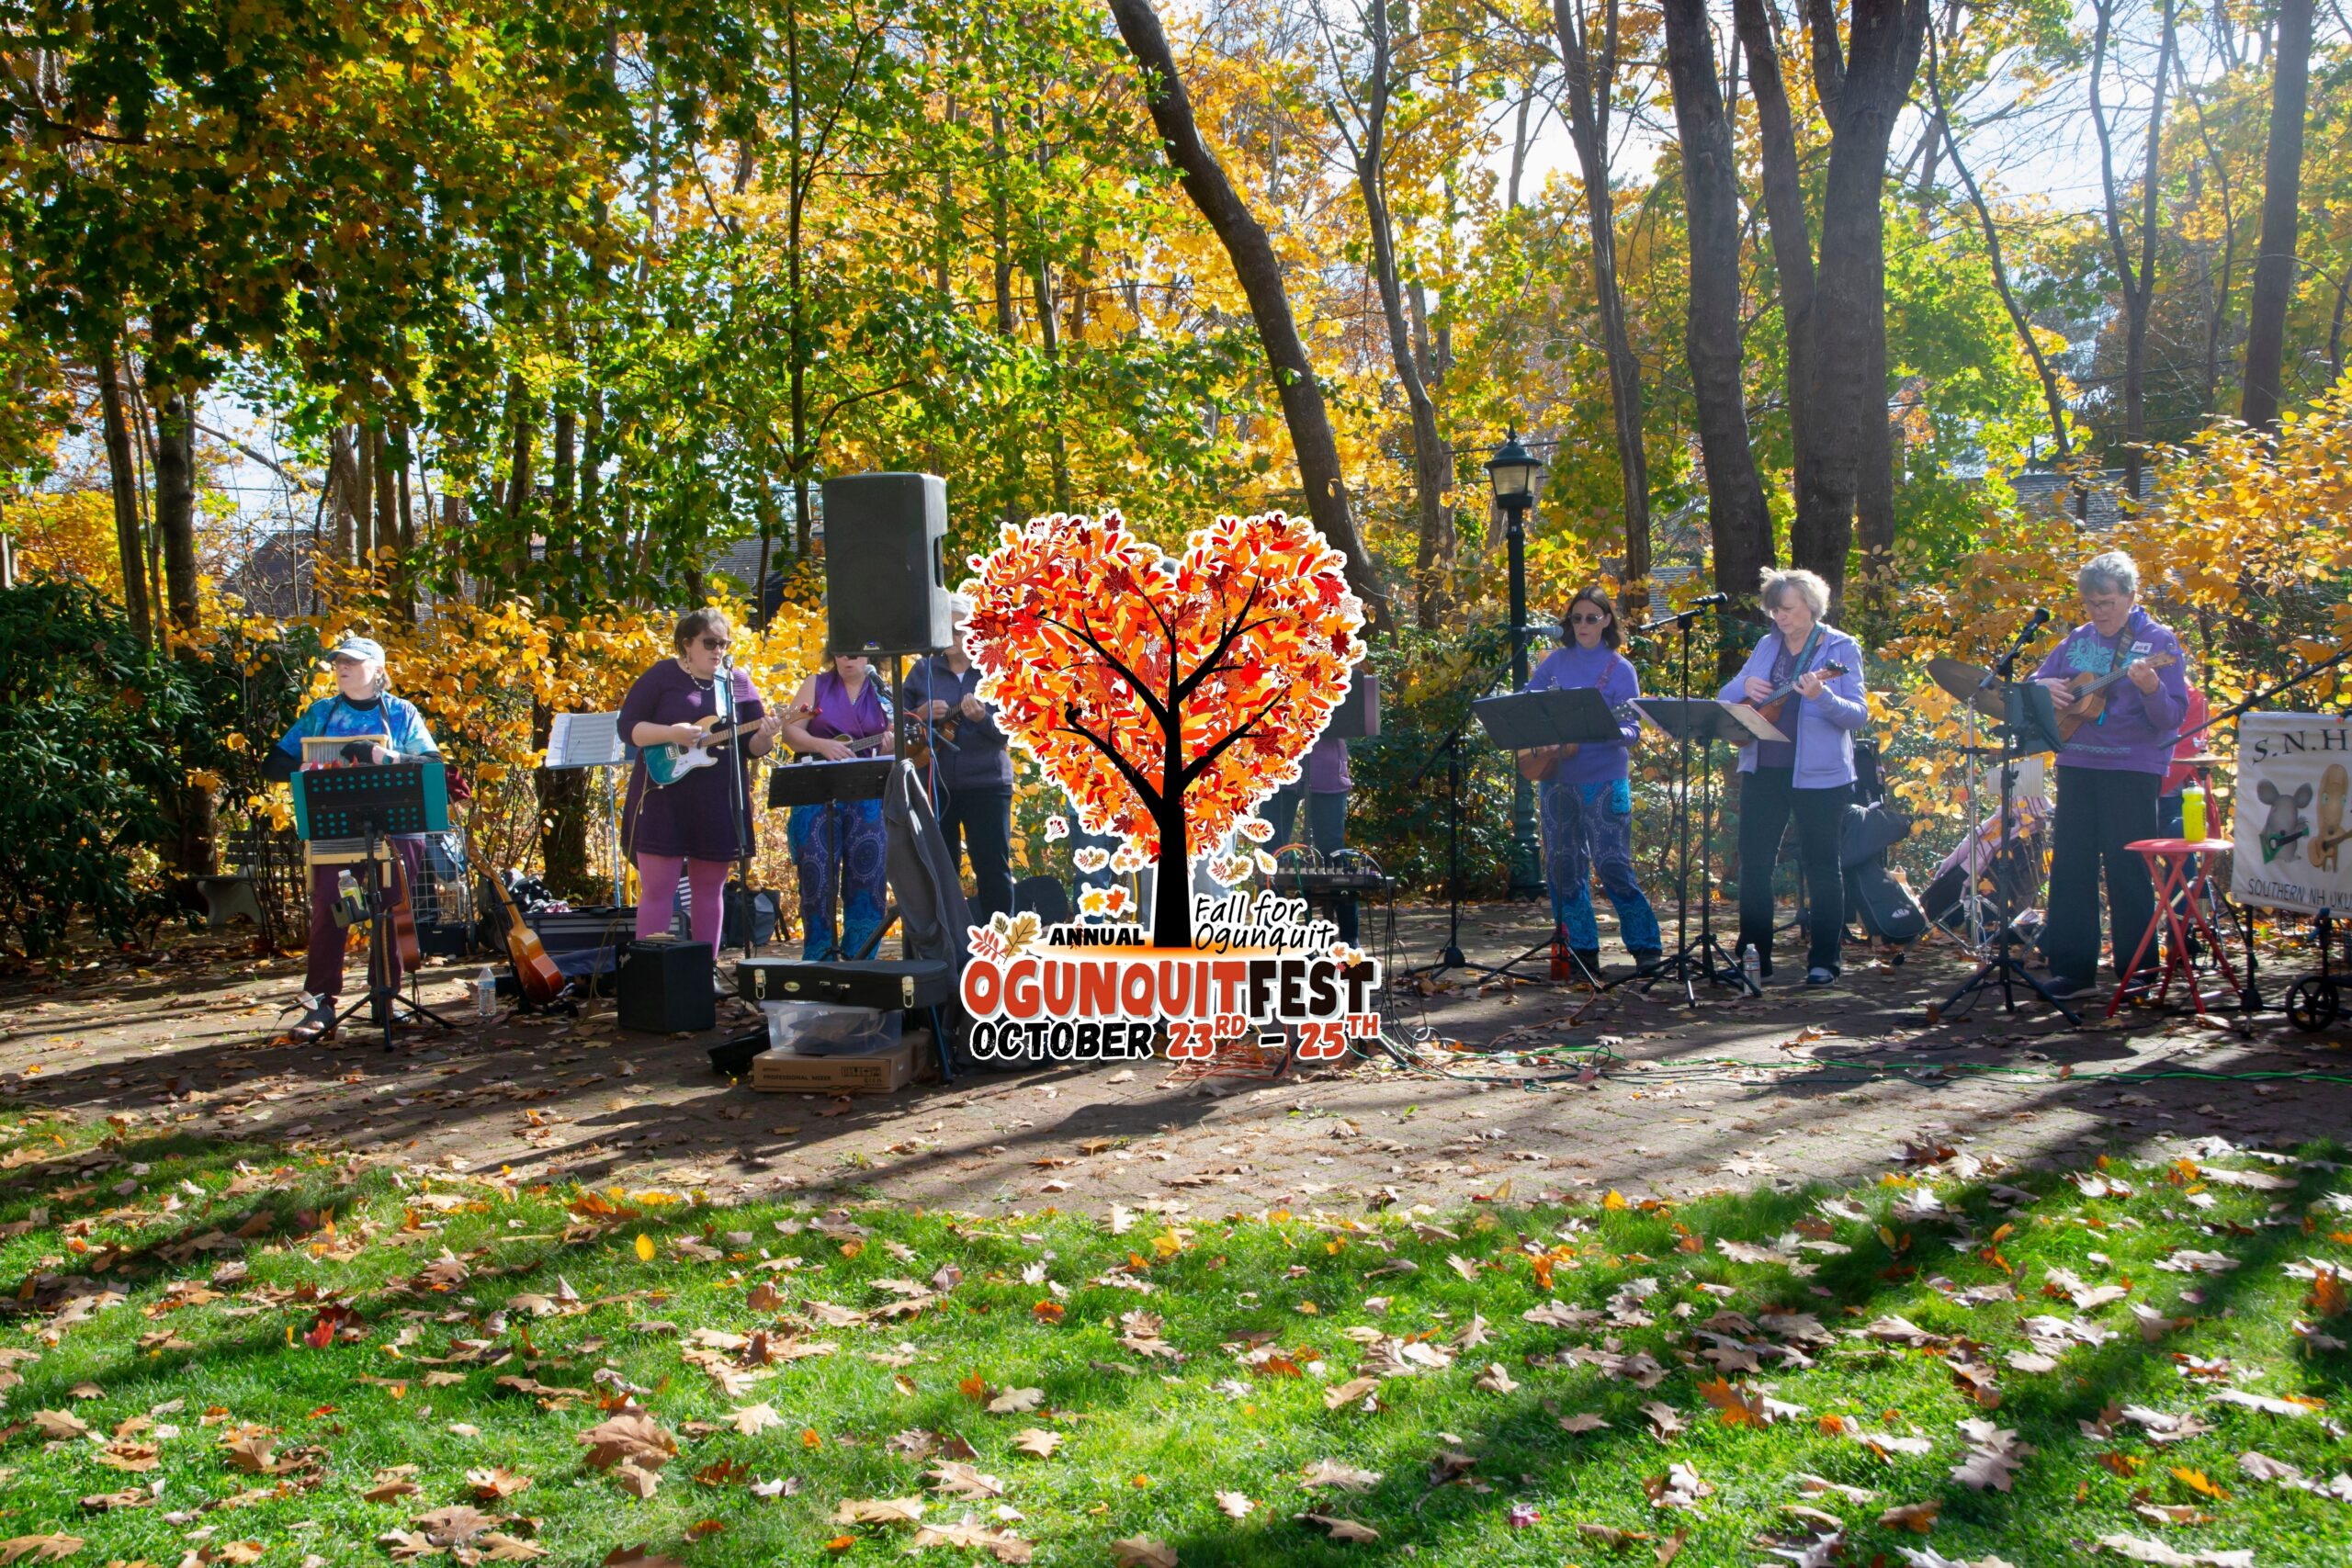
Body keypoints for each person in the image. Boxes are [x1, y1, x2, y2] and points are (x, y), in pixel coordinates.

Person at [265, 635, 442, 1041]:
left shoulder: (400, 713)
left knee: (390, 908)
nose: (342, 667)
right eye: (338, 661)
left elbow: (432, 764)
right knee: (330, 906)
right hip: (335, 830)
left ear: (378, 670)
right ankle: (320, 1004)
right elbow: (272, 763)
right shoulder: (321, 715)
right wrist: (312, 766)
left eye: (353, 661)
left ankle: (386, 999)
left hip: (397, 827)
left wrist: (383, 757)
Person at [2032, 550, 2189, 998]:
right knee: (2071, 867)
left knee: (2128, 868)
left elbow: (2170, 718)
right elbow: (2036, 686)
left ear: (2130, 597)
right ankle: (2073, 970)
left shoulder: (2159, 642)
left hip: (2131, 767)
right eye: (2091, 604)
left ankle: (2138, 971)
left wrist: (2151, 688)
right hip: (2076, 763)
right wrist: (2043, 686)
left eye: (2107, 602)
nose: (2098, 612)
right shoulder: (2077, 639)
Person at [1720, 568, 1871, 987]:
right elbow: (1727, 699)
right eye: (1773, 609)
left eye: (1786, 609)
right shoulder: (1767, 645)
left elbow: (1857, 714)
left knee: (1822, 866)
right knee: (1753, 866)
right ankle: (1755, 959)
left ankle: (1824, 961)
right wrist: (1742, 684)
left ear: (1811, 607)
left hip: (1821, 777)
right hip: (1763, 768)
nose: (1778, 617)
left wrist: (1823, 696)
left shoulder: (1841, 646)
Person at [618, 609, 782, 953]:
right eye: (710, 642)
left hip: (717, 800)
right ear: (686, 644)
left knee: (710, 889)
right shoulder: (663, 676)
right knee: (659, 889)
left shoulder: (737, 682)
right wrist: (672, 732)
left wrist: (767, 736)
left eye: (724, 643)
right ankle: (652, 973)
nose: (718, 650)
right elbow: (628, 727)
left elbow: (751, 747)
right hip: (663, 797)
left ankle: (704, 972)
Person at [1518, 586, 1661, 976]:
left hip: (1605, 780)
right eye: (1576, 618)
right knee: (1563, 869)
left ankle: (1646, 948)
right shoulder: (1555, 662)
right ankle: (1582, 951)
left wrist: (1607, 730)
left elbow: (1633, 728)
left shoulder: (1620, 669)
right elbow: (1527, 708)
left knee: (1613, 865)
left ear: (1607, 621)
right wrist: (1542, 735)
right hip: (1557, 780)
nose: (1583, 625)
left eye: (1591, 618)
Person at [901, 599, 1016, 927]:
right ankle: (948, 947)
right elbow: (897, 727)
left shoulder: (994, 670)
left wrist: (982, 719)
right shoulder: (922, 671)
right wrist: (921, 715)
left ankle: (1000, 943)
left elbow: (1009, 730)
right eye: (945, 628)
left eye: (958, 628)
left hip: (987, 785)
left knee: (993, 867)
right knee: (940, 868)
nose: (951, 635)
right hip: (933, 785)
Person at [778, 649, 893, 961]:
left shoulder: (882, 692)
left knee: (868, 877)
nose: (848, 659)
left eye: (855, 654)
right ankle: (819, 957)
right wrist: (821, 745)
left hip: (866, 795)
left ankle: (861, 958)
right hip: (816, 792)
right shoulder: (815, 684)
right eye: (841, 653)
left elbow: (897, 735)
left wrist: (891, 741)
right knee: (817, 876)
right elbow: (790, 730)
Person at [1261, 729, 1359, 945]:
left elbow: (1355, 714)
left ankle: (1349, 938)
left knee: (1333, 853)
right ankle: (1271, 936)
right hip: (1278, 761)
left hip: (1327, 765)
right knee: (1273, 854)